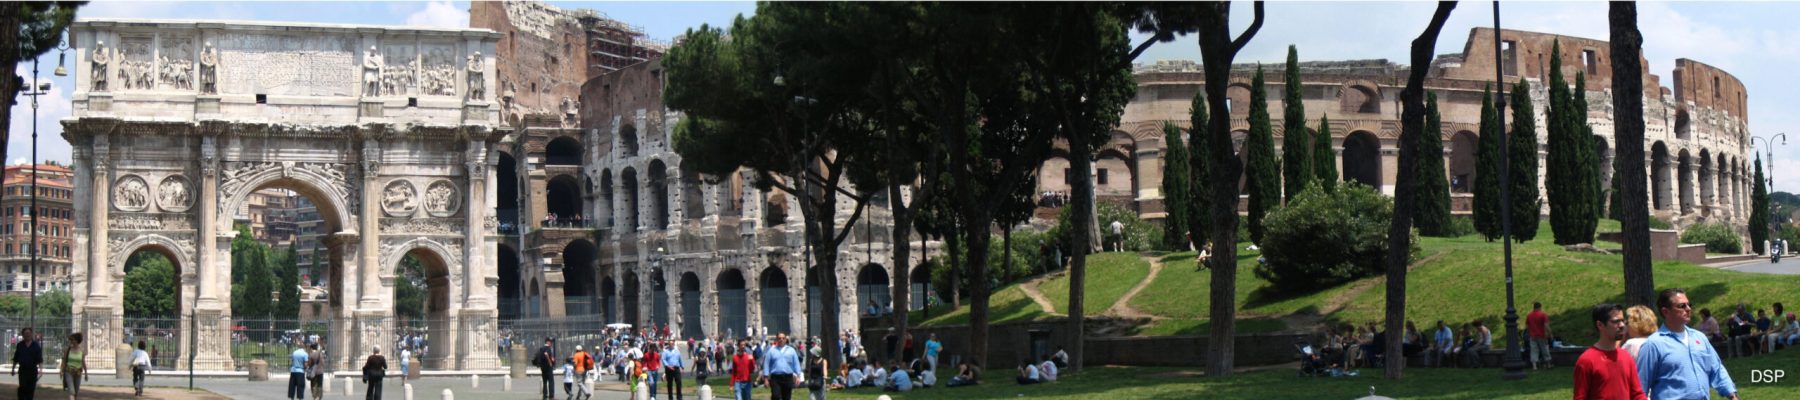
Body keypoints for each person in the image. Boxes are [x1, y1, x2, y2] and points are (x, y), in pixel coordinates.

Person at [1637, 288, 1738, 400]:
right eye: (1682, 306)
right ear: (1666, 312)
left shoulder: (1699, 337)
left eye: (1689, 305)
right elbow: (1640, 388)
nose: (1688, 309)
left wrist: (1732, 395)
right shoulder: (1653, 345)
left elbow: (1717, 369)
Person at [1573, 303, 1647, 400]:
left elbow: (1637, 394)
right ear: (1600, 325)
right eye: (1616, 321)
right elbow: (1580, 397)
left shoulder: (1626, 356)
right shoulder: (1586, 360)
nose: (1622, 325)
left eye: (1622, 321)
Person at [761, 334, 802, 400]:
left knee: (786, 397)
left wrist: (798, 376)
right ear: (777, 339)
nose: (781, 340)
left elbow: (796, 363)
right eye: (779, 338)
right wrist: (766, 378)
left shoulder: (791, 350)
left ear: (786, 339)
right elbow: (766, 364)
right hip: (775, 378)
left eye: (783, 338)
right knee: (775, 396)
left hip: (788, 377)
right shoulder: (771, 351)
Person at [12, 327, 41, 400]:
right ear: (23, 335)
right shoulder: (20, 345)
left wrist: (41, 370)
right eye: (25, 333)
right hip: (23, 370)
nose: (27, 335)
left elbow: (39, 359)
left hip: (33, 370)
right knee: (23, 386)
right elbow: (16, 358)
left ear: (31, 334)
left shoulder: (36, 345)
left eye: (29, 333)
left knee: (31, 388)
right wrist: (13, 369)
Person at [61, 333, 86, 400]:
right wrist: (61, 370)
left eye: (72, 340)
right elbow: (64, 360)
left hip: (78, 372)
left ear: (77, 340)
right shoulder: (68, 350)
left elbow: (83, 362)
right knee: (71, 391)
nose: (71, 341)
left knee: (76, 392)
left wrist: (86, 372)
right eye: (70, 340)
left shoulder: (82, 351)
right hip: (69, 371)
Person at [1528, 302, 1553, 370]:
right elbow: (1546, 325)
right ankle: (1548, 364)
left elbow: (1528, 325)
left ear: (1534, 307)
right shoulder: (1543, 315)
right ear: (1540, 307)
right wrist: (1550, 334)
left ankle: (1534, 366)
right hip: (1542, 336)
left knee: (1534, 351)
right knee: (1545, 350)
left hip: (1532, 336)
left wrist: (1530, 332)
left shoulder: (1529, 315)